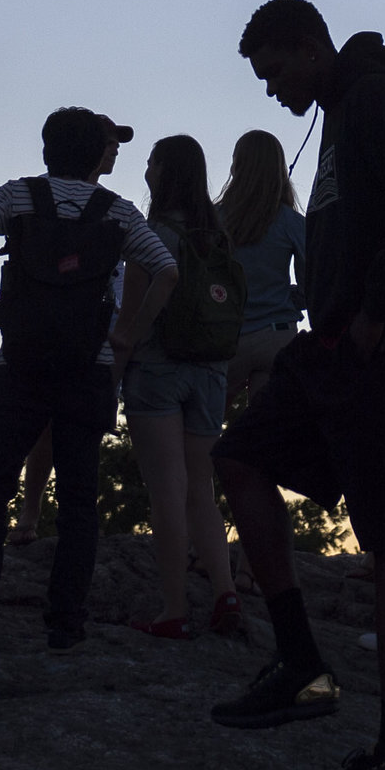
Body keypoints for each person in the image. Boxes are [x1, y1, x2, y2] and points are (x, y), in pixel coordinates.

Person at [209, 0, 385, 770]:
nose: (271, 89)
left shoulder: (374, 97)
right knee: (239, 456)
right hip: (333, 345)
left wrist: (375, 308)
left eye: (276, 70)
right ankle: (300, 664)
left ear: (311, 46)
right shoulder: (339, 112)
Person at [0, 108, 176, 652]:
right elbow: (166, 270)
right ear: (97, 154)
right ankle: (65, 623)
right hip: (86, 369)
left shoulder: (18, 195)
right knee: (77, 497)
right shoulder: (116, 212)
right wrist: (128, 333)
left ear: (47, 149)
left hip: (21, 363)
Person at [123, 134, 244, 639]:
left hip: (157, 371)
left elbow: (132, 316)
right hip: (211, 373)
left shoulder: (152, 236)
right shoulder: (218, 237)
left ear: (165, 173)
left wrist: (115, 366)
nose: (146, 170)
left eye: (151, 163)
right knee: (201, 488)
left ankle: (173, 608)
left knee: (166, 490)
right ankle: (225, 592)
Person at [8, 116, 135, 543]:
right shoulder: (45, 196)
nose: (115, 148)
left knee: (84, 435)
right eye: (109, 141)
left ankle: (64, 526)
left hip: (99, 332)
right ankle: (31, 512)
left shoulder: (116, 206)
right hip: (46, 332)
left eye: (119, 143)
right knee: (45, 427)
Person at [216, 128, 306, 406]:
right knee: (267, 434)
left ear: (236, 165)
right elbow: (312, 285)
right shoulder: (292, 222)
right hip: (277, 336)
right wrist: (286, 297)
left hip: (224, 337)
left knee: (204, 429)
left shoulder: (213, 218)